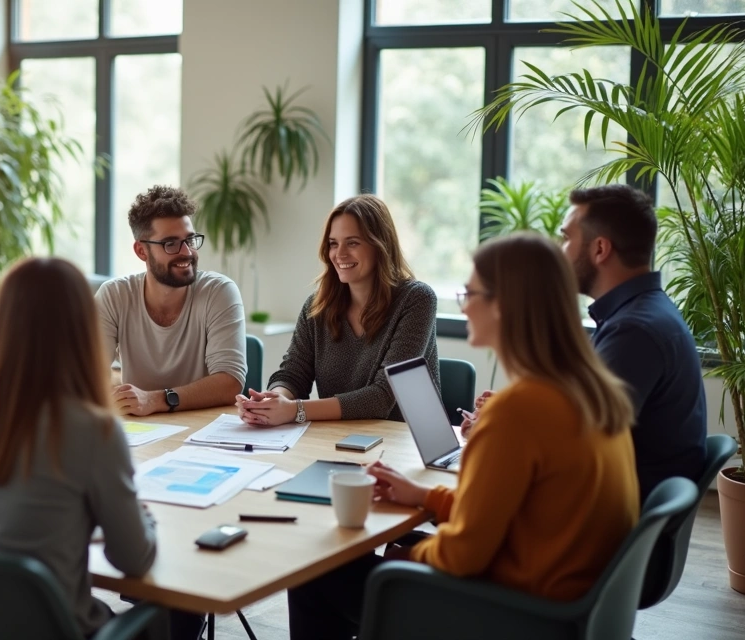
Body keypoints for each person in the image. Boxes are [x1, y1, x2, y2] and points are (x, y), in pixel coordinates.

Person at [287, 233, 639, 639]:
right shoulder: (589, 391)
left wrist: (407, 554)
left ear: (505, 306)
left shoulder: (516, 414)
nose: (463, 304)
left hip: (513, 614)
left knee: (315, 572)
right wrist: (425, 497)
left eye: (470, 292)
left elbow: (462, 555)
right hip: (564, 605)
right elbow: (508, 507)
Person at [0, 257, 159, 638]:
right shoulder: (94, 429)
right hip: (52, 629)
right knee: (162, 618)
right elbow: (134, 559)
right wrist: (142, 518)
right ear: (82, 329)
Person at [460, 184, 706, 500]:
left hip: (609, 519)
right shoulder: (642, 312)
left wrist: (502, 425)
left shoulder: (633, 331)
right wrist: (519, 412)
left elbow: (577, 441)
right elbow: (577, 415)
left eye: (566, 238)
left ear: (600, 249)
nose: (560, 251)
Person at [236, 194, 438, 426]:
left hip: (403, 443)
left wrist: (294, 410)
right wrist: (272, 401)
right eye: (333, 243)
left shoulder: (417, 299)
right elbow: (293, 374)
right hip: (336, 438)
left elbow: (382, 398)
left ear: (379, 245)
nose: (339, 254)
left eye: (352, 243)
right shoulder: (317, 306)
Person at [95, 185, 247, 416]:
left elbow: (230, 382)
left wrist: (155, 400)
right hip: (140, 430)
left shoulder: (218, 291)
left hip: (204, 430)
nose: (186, 252)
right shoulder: (114, 296)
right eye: (171, 243)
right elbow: (87, 376)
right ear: (141, 251)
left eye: (190, 240)